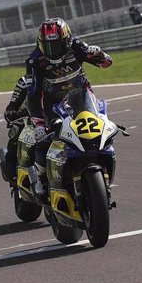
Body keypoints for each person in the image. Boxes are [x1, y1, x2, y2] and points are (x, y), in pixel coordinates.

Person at [26, 17, 113, 201]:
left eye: (57, 45)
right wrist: (39, 124)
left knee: (97, 130)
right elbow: (33, 95)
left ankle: (103, 165)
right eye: (48, 46)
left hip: (81, 98)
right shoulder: (36, 61)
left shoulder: (78, 47)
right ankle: (41, 179)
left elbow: (107, 63)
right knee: (44, 141)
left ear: (67, 39)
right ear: (41, 44)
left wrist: (99, 54)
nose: (53, 51)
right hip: (53, 105)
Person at [1, 75, 30, 185]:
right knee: (17, 130)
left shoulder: (73, 73)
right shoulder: (26, 81)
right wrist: (12, 111)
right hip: (36, 118)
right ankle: (10, 171)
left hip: (65, 117)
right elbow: (11, 106)